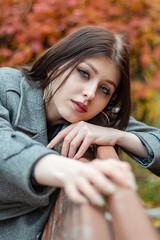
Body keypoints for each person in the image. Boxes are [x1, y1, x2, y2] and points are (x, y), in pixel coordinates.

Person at [0, 26, 160, 240]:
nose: (90, 93)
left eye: (105, 89)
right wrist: (64, 169)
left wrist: (117, 135)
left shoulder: (97, 117)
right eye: (84, 73)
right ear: (55, 63)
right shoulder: (6, 86)